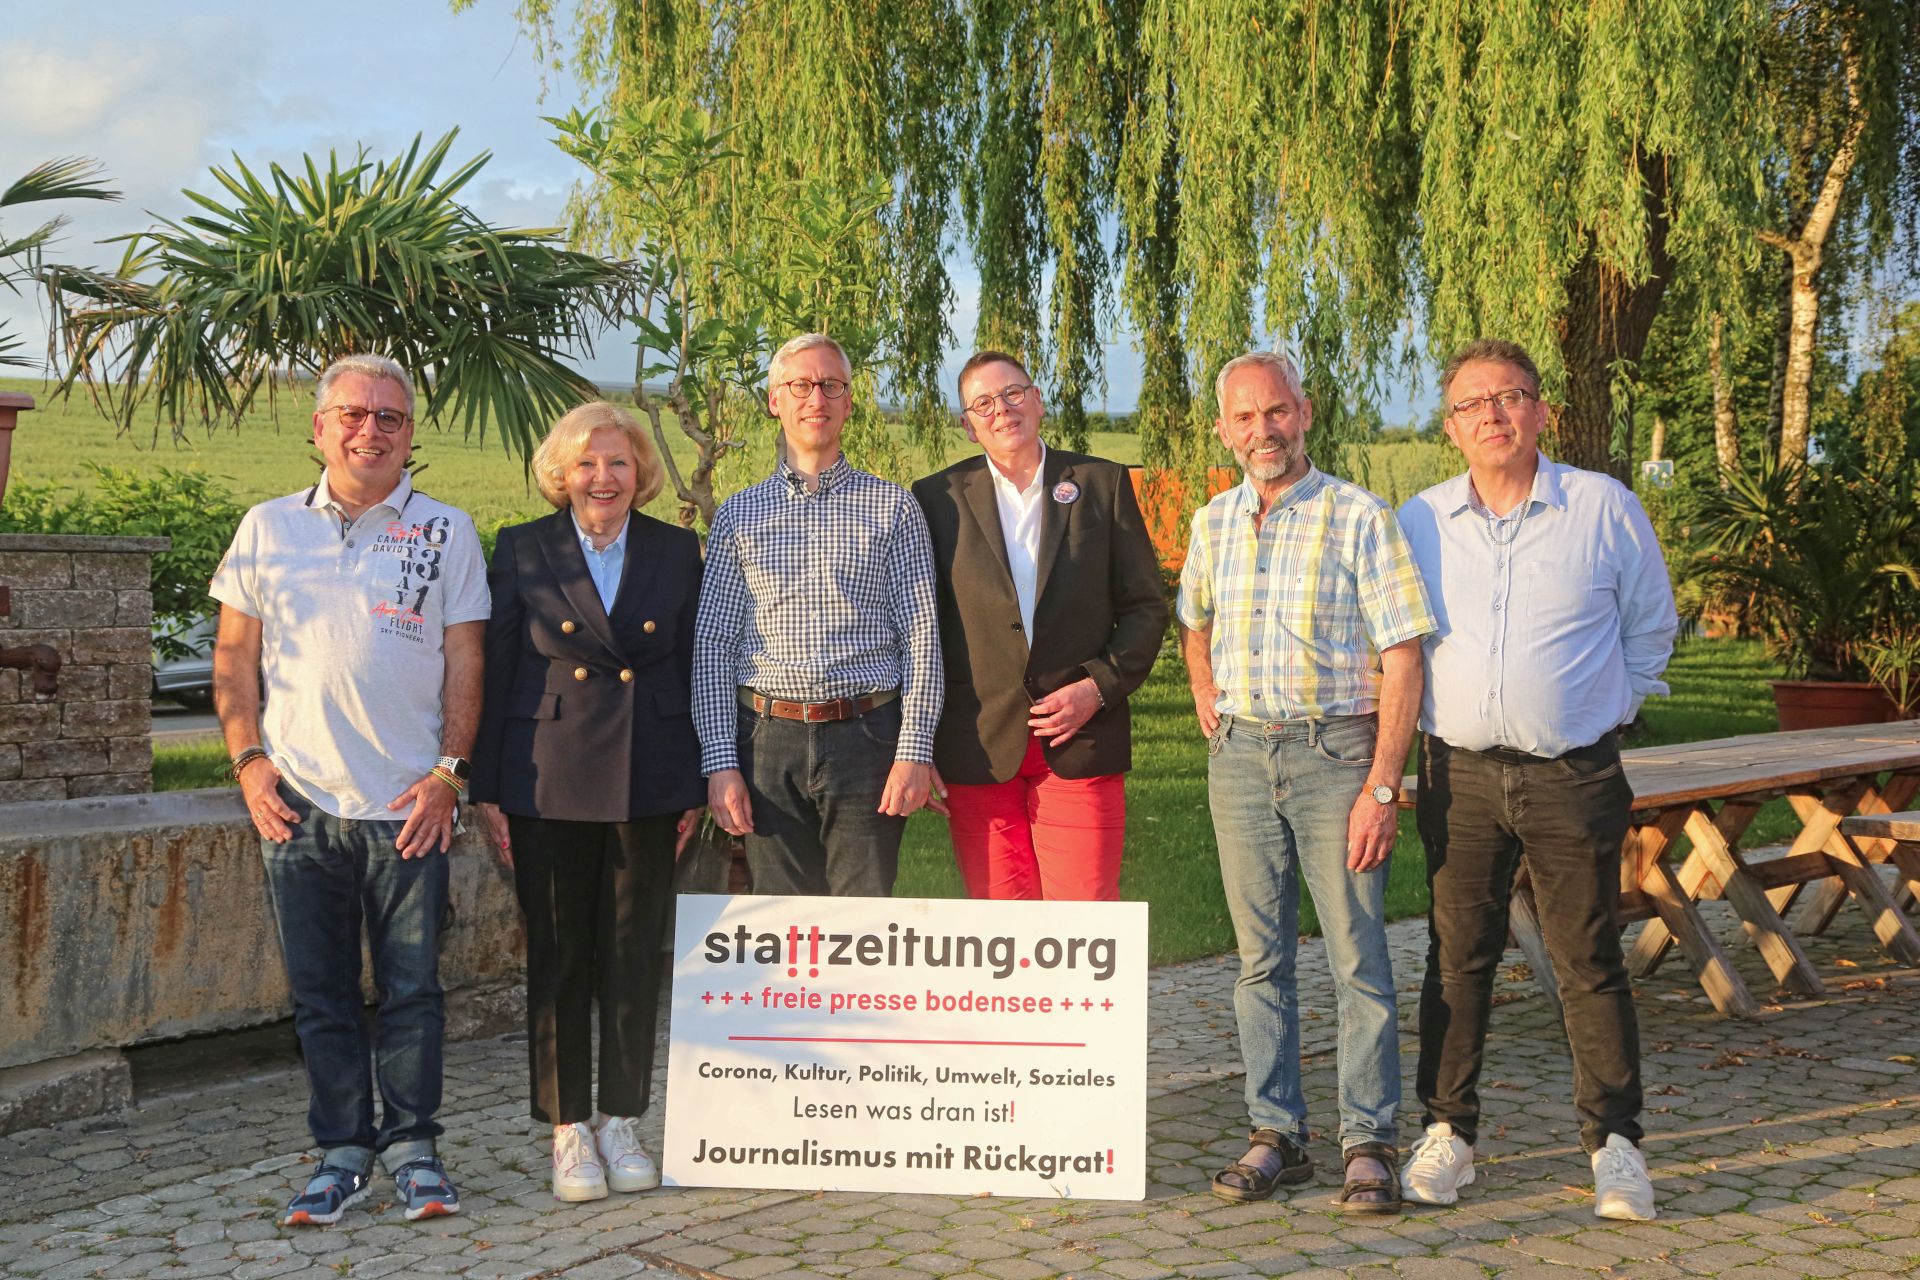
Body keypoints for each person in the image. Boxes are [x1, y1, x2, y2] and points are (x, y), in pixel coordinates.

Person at [1395, 338, 1677, 1221]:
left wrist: (1605, 705)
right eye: (1473, 405)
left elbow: (1651, 626)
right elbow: (1396, 641)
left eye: (1510, 397)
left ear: (1542, 411)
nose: (1493, 416)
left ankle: (1615, 1145)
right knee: (1456, 958)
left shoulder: (1603, 507)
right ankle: (1448, 1133)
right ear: (1451, 427)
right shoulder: (1420, 520)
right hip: (1459, 775)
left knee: (1586, 958)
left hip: (1573, 776)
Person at [210, 353, 487, 1226]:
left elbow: (468, 661)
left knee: (413, 992)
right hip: (298, 808)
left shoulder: (449, 530)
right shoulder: (266, 528)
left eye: (391, 418)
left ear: (410, 436)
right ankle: (340, 1154)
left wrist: (449, 775)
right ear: (320, 425)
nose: (371, 430)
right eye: (354, 414)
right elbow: (234, 657)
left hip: (409, 808)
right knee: (322, 995)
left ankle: (414, 1152)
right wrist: (249, 762)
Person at [1177, 351, 1435, 1213]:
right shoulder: (1212, 521)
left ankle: (1369, 1142)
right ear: (1224, 430)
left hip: (1337, 759)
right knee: (1260, 963)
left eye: (1277, 413)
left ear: (1306, 413)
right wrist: (1206, 691)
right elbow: (1193, 622)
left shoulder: (1361, 517)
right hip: (1242, 760)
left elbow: (1403, 654)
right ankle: (1276, 1134)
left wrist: (1384, 783)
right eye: (1245, 419)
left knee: (1358, 957)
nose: (1264, 431)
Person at [469, 402, 705, 1203]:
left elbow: (689, 672)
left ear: (640, 473)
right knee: (563, 952)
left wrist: (697, 781)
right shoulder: (523, 548)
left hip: (649, 772)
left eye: (618, 463)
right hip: (548, 774)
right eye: (586, 464)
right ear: (560, 475)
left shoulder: (678, 550)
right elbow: (502, 670)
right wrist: (489, 787)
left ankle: (622, 1118)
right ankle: (569, 1128)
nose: (602, 478)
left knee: (636, 952)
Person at [910, 351, 1166, 900]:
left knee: (1084, 918)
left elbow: (1146, 607)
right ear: (967, 424)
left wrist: (1099, 686)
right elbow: (919, 626)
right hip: (976, 743)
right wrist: (918, 739)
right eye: (983, 403)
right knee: (1002, 927)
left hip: (1080, 736)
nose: (1001, 410)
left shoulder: (1102, 483)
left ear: (1038, 399)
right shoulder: (935, 499)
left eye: (1013, 393)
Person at [693, 333, 943, 896]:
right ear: (774, 400)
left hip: (868, 739)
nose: (817, 399)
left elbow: (923, 638)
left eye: (832, 385)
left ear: (849, 402)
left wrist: (914, 751)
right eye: (800, 385)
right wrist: (719, 761)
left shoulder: (893, 507)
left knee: (863, 921)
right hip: (764, 741)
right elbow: (712, 645)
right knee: (782, 925)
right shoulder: (739, 515)